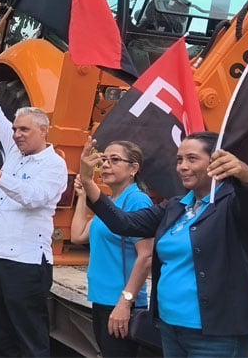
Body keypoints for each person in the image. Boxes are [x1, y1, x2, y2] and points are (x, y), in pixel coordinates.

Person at [77, 132, 248, 357]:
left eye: (192, 159)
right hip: (171, 328)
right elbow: (124, 223)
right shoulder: (176, 207)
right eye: (179, 160)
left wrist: (247, 175)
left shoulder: (232, 206)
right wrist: (88, 180)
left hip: (216, 336)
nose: (182, 166)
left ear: (217, 161)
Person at [0, 54, 67, 357]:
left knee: (28, 336)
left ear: (43, 131)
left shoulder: (54, 165)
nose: (17, 134)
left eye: (25, 130)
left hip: (25, 265)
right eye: (16, 129)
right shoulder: (14, 151)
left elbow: (32, 196)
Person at [71, 140, 153, 357]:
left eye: (115, 160)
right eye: (104, 160)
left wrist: (125, 303)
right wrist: (82, 198)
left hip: (120, 303)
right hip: (101, 299)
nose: (106, 165)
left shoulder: (137, 201)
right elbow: (78, 236)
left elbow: (146, 256)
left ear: (133, 169)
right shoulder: (109, 202)